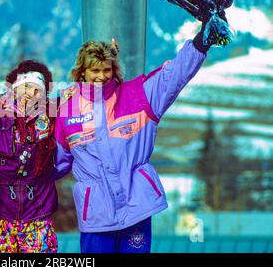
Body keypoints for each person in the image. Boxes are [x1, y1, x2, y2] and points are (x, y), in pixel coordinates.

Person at [53, 16, 223, 253]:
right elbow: (55, 163)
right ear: (82, 72)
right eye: (94, 71)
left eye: (107, 69)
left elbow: (174, 75)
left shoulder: (138, 95)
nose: (101, 76)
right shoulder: (67, 112)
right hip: (96, 215)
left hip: (137, 208)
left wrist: (200, 43)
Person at [0, 60, 58, 253]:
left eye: (38, 90)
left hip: (38, 212)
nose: (31, 94)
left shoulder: (52, 112)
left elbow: (86, 94)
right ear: (15, 88)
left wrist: (109, 56)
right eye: (26, 87)